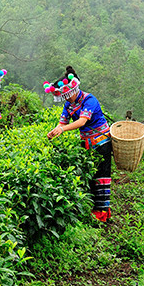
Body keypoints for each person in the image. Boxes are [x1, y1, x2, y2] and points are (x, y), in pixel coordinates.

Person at [45, 66, 113, 222]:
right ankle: (95, 209)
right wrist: (54, 131)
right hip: (86, 143)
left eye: (67, 95)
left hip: (101, 142)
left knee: (102, 177)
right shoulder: (68, 105)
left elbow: (82, 121)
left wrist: (63, 129)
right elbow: (62, 122)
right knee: (91, 176)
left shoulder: (89, 100)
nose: (67, 98)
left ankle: (102, 213)